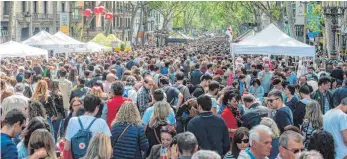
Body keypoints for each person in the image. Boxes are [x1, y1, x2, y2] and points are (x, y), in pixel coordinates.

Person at [64, 94, 111, 159]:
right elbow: (107, 147)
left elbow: (67, 147)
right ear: (97, 107)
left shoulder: (72, 121)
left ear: (83, 106)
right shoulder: (101, 123)